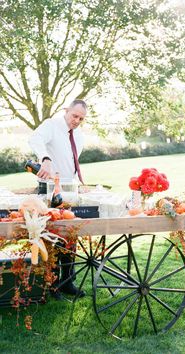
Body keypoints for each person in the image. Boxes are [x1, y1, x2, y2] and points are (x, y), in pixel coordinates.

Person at [28, 99, 87, 300]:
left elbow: (71, 162)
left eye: (81, 118)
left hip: (69, 189)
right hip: (49, 190)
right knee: (52, 235)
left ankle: (67, 281)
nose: (77, 120)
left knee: (70, 235)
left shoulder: (79, 136)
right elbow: (34, 139)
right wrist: (45, 159)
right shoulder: (51, 125)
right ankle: (51, 283)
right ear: (66, 111)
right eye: (74, 116)